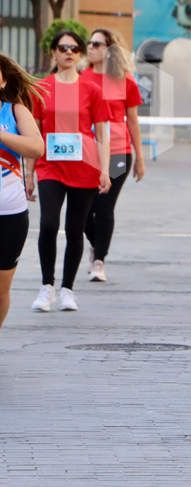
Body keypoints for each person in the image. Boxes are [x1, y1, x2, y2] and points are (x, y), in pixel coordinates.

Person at [28, 31, 111, 313]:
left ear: (80, 55)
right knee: (49, 224)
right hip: (50, 165)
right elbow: (34, 132)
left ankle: (67, 289)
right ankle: (46, 286)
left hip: (84, 167)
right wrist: (29, 173)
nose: (68, 53)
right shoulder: (41, 88)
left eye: (74, 48)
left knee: (76, 229)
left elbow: (102, 133)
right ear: (53, 53)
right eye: (62, 48)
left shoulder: (92, 90)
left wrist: (104, 170)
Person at [81, 28, 145, 283]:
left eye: (96, 44)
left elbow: (133, 121)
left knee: (105, 207)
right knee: (86, 210)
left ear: (109, 49)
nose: (90, 47)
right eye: (89, 43)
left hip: (119, 152)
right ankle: (96, 245)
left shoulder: (125, 81)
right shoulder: (79, 78)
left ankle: (99, 260)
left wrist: (139, 158)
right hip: (86, 154)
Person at [0, 54, 44, 328]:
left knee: (1, 287)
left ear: (3, 81)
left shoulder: (15, 111)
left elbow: (36, 147)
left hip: (10, 214)